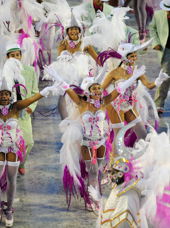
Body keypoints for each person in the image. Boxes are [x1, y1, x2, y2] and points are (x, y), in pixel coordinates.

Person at [44, 62, 146, 210]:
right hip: (86, 142)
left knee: (97, 170)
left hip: (101, 143)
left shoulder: (104, 102)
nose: (98, 90)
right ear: (89, 92)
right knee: (91, 172)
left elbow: (120, 89)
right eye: (95, 89)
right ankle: (92, 199)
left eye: (99, 88)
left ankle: (92, 194)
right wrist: (55, 75)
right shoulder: (81, 103)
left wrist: (135, 77)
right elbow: (66, 87)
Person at [0, 58, 56, 227]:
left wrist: (46, 90)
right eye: (1, 94)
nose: (3, 96)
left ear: (10, 96)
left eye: (6, 94)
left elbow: (33, 99)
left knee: (11, 179)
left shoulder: (16, 107)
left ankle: (9, 209)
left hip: (12, 148)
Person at [100, 39, 168, 159]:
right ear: (125, 57)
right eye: (132, 56)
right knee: (118, 136)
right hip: (115, 106)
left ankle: (136, 160)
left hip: (128, 105)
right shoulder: (114, 73)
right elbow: (100, 89)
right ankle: (113, 166)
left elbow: (149, 85)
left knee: (142, 133)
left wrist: (159, 80)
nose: (135, 58)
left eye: (136, 55)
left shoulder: (137, 71)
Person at [44, 12, 102, 120]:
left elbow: (98, 60)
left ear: (80, 30)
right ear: (67, 31)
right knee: (62, 105)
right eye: (71, 29)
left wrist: (110, 61)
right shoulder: (62, 44)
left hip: (82, 80)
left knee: (78, 104)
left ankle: (82, 125)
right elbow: (61, 61)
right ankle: (68, 126)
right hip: (67, 79)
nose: (74, 31)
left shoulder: (86, 43)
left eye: (76, 28)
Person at [6, 43, 39, 175]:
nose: (15, 58)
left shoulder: (30, 71)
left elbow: (34, 91)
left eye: (17, 55)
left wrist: (31, 107)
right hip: (8, 114)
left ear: (21, 56)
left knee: (29, 142)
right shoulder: (3, 73)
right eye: (12, 55)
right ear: (7, 57)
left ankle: (21, 162)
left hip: (24, 113)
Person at [149, 0, 170, 116]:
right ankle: (159, 104)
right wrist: (155, 43)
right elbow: (153, 30)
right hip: (166, 50)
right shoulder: (158, 15)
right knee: (166, 76)